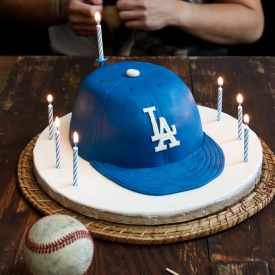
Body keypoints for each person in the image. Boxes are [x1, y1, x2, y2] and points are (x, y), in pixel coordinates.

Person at [0, 0, 264, 56]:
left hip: (190, 75)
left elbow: (251, 24)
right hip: (73, 66)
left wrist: (177, 11)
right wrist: (58, 7)